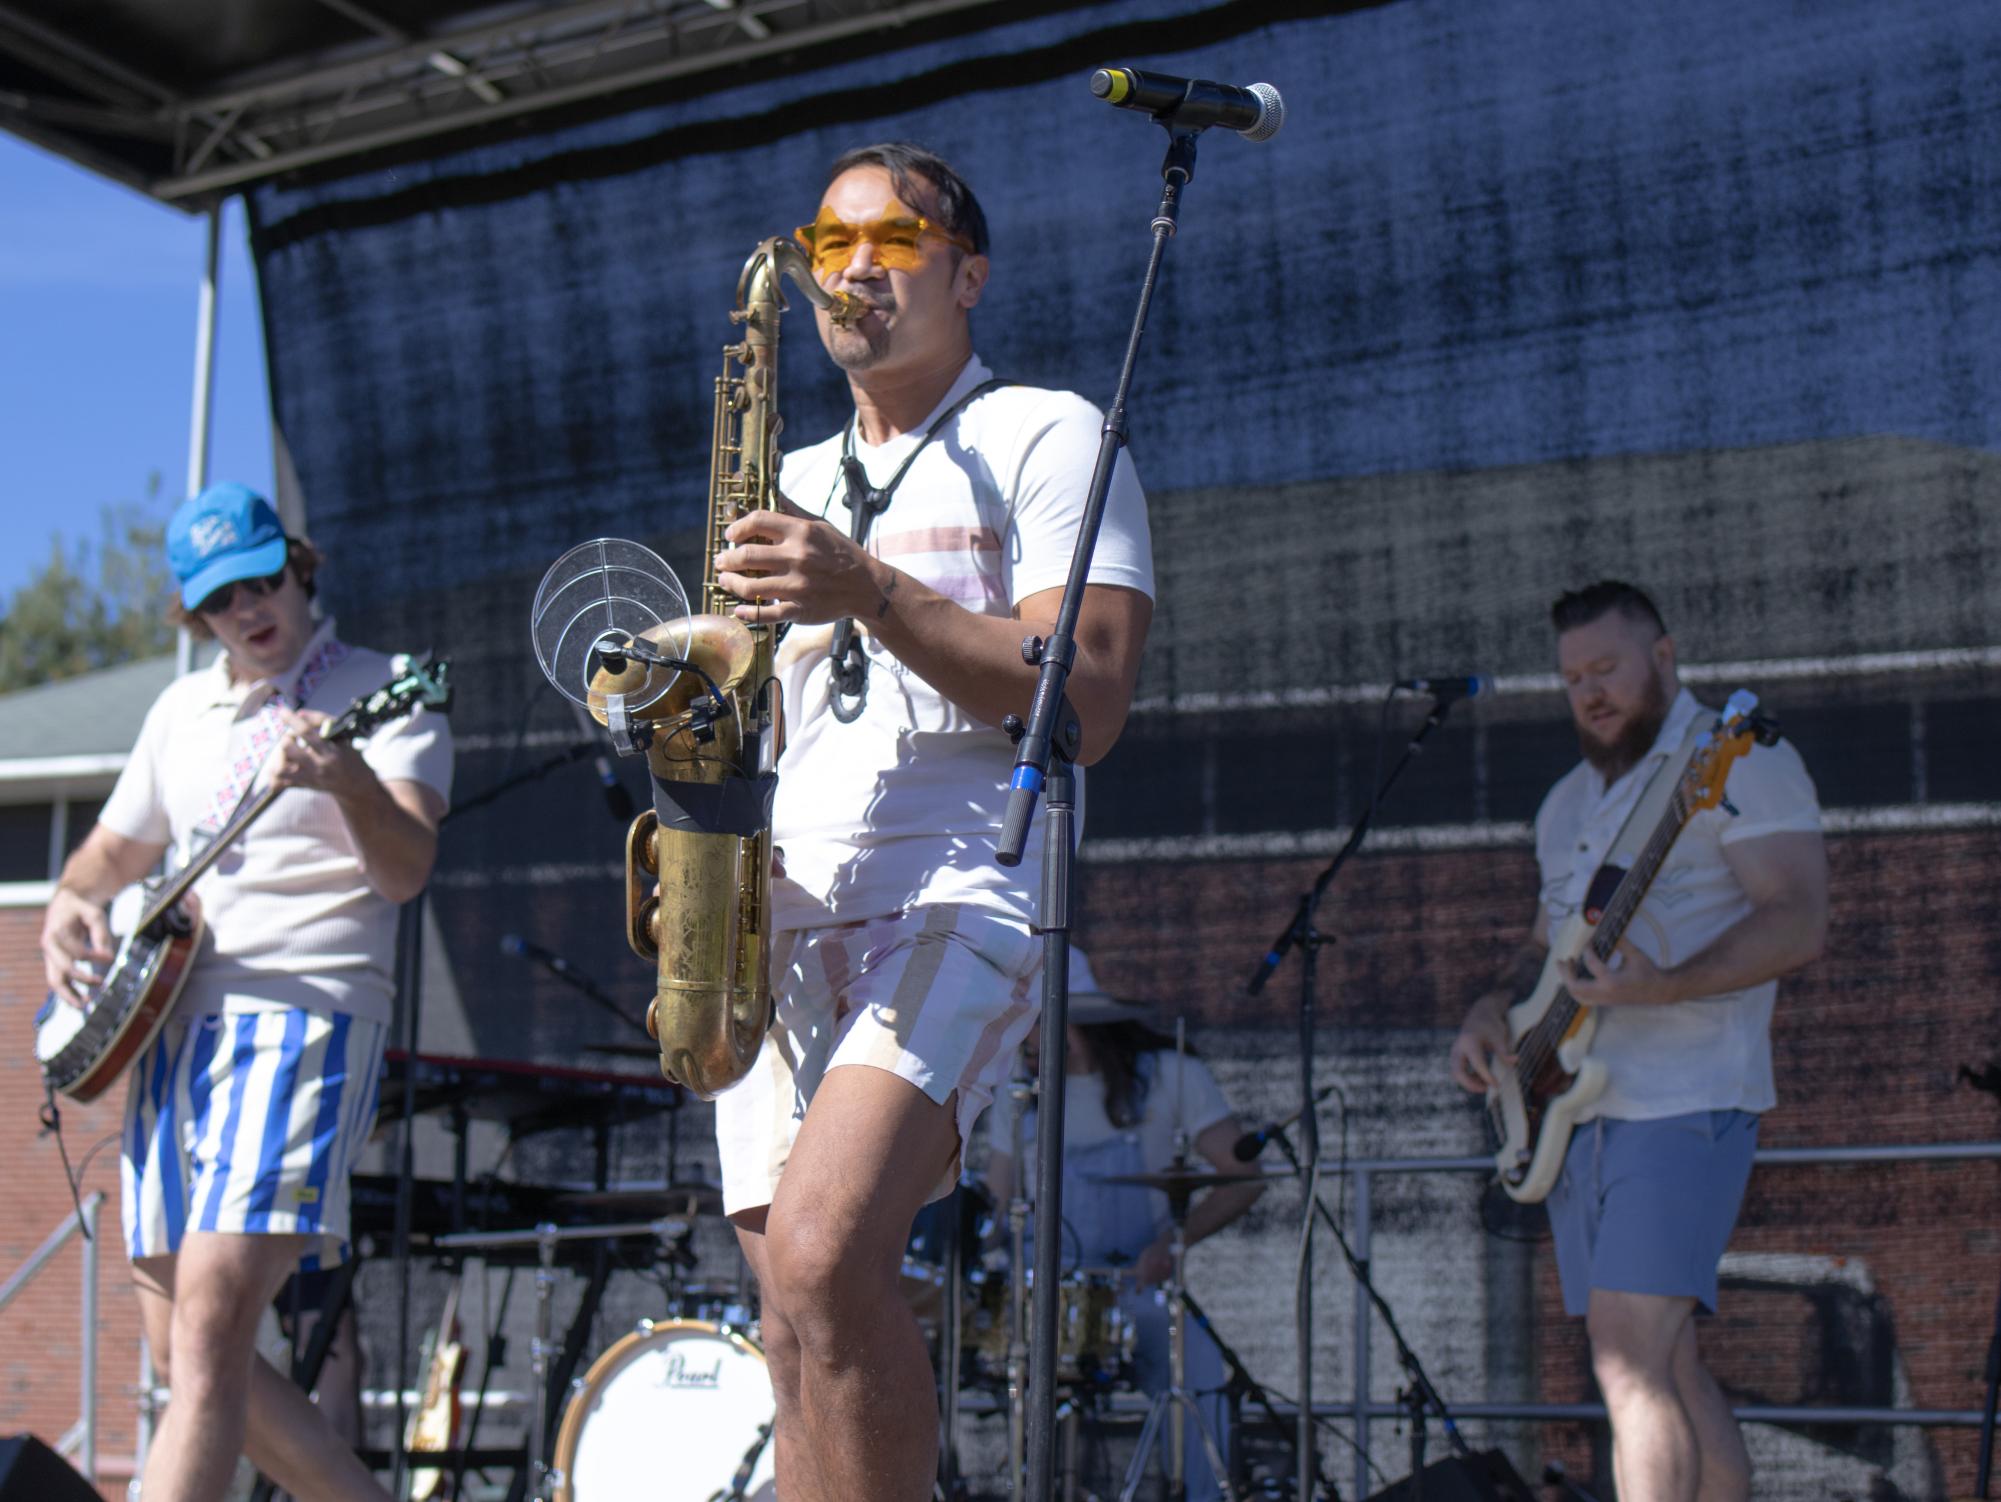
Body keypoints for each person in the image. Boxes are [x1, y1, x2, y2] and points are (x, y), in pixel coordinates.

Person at [706, 141, 1154, 1502]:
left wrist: (871, 588)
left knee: (829, 1250)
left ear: (969, 272)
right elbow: (758, 718)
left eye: (891, 240)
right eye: (828, 244)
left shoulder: (1050, 430)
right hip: (779, 908)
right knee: (791, 1313)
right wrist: (696, 849)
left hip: (966, 881)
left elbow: (1089, 695)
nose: (852, 270)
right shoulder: (780, 475)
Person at [38, 481, 453, 1502]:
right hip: (166, 1027)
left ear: (299, 567)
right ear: (197, 614)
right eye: (222, 599)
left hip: (302, 1011)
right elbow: (99, 860)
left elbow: (405, 866)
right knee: (190, 1356)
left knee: (215, 1321)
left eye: (264, 581)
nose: (250, 610)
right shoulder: (180, 710)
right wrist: (65, 910)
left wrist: (346, 776)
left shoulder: (383, 684)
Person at [1449, 580, 1826, 1502]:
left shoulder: (1736, 762)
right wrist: (1489, 1009)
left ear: (1662, 656)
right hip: (1575, 1108)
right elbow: (1545, 950)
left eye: (1606, 667)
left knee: (1625, 1366)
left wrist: (1665, 984)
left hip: (1685, 1097)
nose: (1589, 692)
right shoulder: (1566, 802)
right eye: (1573, 676)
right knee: (1667, 1365)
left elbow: (1798, 919)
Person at [984, 954, 1265, 1501]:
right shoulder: (1015, 1091)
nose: (1028, 1039)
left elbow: (1243, 1176)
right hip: (1045, 1298)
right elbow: (997, 1200)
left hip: (1138, 1288)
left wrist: (1172, 1245)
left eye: (1036, 1022)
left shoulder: (1170, 1073)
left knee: (1201, 1377)